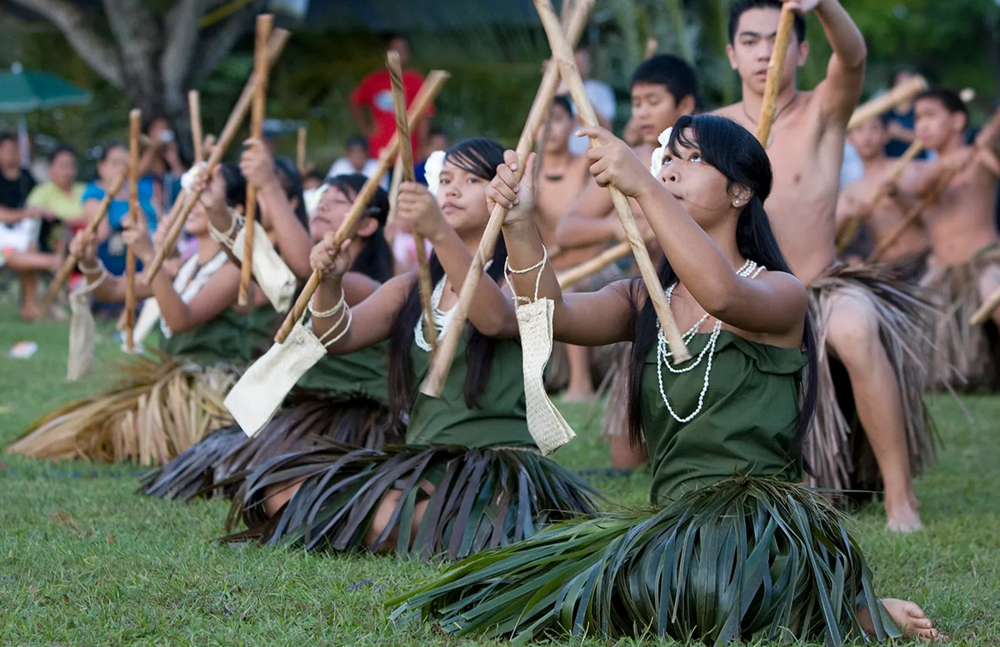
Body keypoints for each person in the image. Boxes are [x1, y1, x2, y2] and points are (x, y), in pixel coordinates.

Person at [394, 115, 938, 645]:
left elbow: (722, 295)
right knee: (552, 584)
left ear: (740, 192)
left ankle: (837, 609)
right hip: (671, 525)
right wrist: (519, 224)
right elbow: (546, 315)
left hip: (756, 528)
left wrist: (645, 188)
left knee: (680, 595)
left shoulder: (782, 292)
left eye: (692, 159)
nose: (671, 171)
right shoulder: (642, 300)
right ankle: (813, 608)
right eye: (668, 160)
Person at [223, 138, 598, 557]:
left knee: (389, 516)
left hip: (491, 468)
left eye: (471, 180)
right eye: (445, 179)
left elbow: (493, 320)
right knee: (280, 490)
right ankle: (413, 526)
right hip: (423, 461)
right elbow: (337, 336)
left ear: (501, 193)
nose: (452, 189)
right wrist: (329, 283)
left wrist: (438, 231)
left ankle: (434, 527)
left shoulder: (519, 281)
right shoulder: (414, 287)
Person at [713, 0, 932, 532]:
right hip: (743, 292)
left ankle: (901, 499)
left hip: (823, 286)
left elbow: (853, 59)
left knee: (856, 329)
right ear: (731, 54)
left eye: (779, 38)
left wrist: (824, 5)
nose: (767, 51)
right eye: (751, 41)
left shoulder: (824, 112)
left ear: (804, 51)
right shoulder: (711, 131)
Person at [141, 173, 400, 501]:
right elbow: (261, 268)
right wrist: (216, 207)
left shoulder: (366, 286)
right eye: (322, 196)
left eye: (338, 201)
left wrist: (269, 183)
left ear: (367, 226)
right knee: (215, 464)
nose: (323, 204)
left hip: (352, 415)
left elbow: (302, 272)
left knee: (273, 479)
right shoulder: (306, 273)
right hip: (304, 407)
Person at [7, 164, 276, 465]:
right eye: (192, 196)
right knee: (97, 423)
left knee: (122, 431)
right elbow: (114, 292)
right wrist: (90, 261)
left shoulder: (235, 272)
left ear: (235, 207)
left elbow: (180, 320)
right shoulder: (182, 267)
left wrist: (150, 255)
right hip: (171, 384)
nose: (193, 205)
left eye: (205, 196)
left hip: (209, 392)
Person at [555, 53, 701, 467]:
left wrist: (664, 216)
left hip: (704, 298)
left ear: (685, 105)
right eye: (636, 102)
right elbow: (569, 228)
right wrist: (618, 229)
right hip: (647, 302)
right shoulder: (630, 158)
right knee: (624, 459)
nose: (641, 111)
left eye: (652, 100)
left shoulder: (710, 154)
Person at [912, 88, 1000, 390]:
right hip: (941, 273)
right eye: (917, 118)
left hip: (984, 261)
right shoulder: (919, 169)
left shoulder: (981, 158)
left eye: (930, 116)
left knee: (993, 293)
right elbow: (923, 190)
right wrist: (947, 165)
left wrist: (980, 152)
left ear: (958, 121)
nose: (922, 125)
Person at [532, 95, 595, 401]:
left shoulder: (587, 166)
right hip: (547, 271)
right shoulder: (526, 175)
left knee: (571, 290)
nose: (550, 128)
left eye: (557, 119)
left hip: (593, 268)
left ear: (572, 124)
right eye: (543, 120)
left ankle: (581, 384)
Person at [836, 117, 930, 278]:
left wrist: (899, 196)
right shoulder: (851, 192)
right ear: (849, 138)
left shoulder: (904, 169)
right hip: (886, 270)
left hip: (921, 260)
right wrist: (850, 218)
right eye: (859, 130)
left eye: (874, 128)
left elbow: (929, 216)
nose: (867, 136)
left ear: (886, 135)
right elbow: (835, 240)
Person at [0, 133, 60, 319]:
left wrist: (42, 211)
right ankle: (51, 262)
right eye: (8, 149)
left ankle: (30, 305)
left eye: (16, 149)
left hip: (25, 236)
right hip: (4, 237)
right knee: (18, 251)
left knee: (29, 244)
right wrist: (28, 213)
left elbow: (38, 202)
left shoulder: (26, 176)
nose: (13, 154)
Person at [349, 35, 433, 160]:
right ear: (386, 53)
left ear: (408, 54)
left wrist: (422, 145)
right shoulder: (375, 79)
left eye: (402, 50)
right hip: (378, 149)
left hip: (407, 149)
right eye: (394, 50)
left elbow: (425, 115)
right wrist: (365, 129)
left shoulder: (415, 80)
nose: (398, 55)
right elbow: (355, 102)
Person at [82, 142, 157, 278]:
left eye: (125, 163)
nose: (121, 168)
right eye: (115, 163)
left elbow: (159, 216)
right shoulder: (94, 194)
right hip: (120, 261)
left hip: (155, 250)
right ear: (101, 167)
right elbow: (100, 234)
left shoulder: (139, 189)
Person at [26, 145, 87, 256]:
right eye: (63, 166)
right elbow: (31, 214)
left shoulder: (85, 190)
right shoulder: (42, 191)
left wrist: (63, 219)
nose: (68, 171)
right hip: (55, 247)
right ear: (50, 168)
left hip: (88, 242)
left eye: (71, 165)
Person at [565, 43, 617, 156]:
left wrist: (575, 94)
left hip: (595, 156)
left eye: (581, 62)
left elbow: (607, 126)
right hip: (563, 161)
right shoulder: (556, 91)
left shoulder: (601, 90)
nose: (577, 66)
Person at [884, 69, 927, 159]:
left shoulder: (922, 113)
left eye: (908, 85)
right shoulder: (884, 114)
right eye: (900, 84)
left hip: (918, 165)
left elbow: (927, 139)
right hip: (889, 165)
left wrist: (900, 133)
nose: (905, 89)